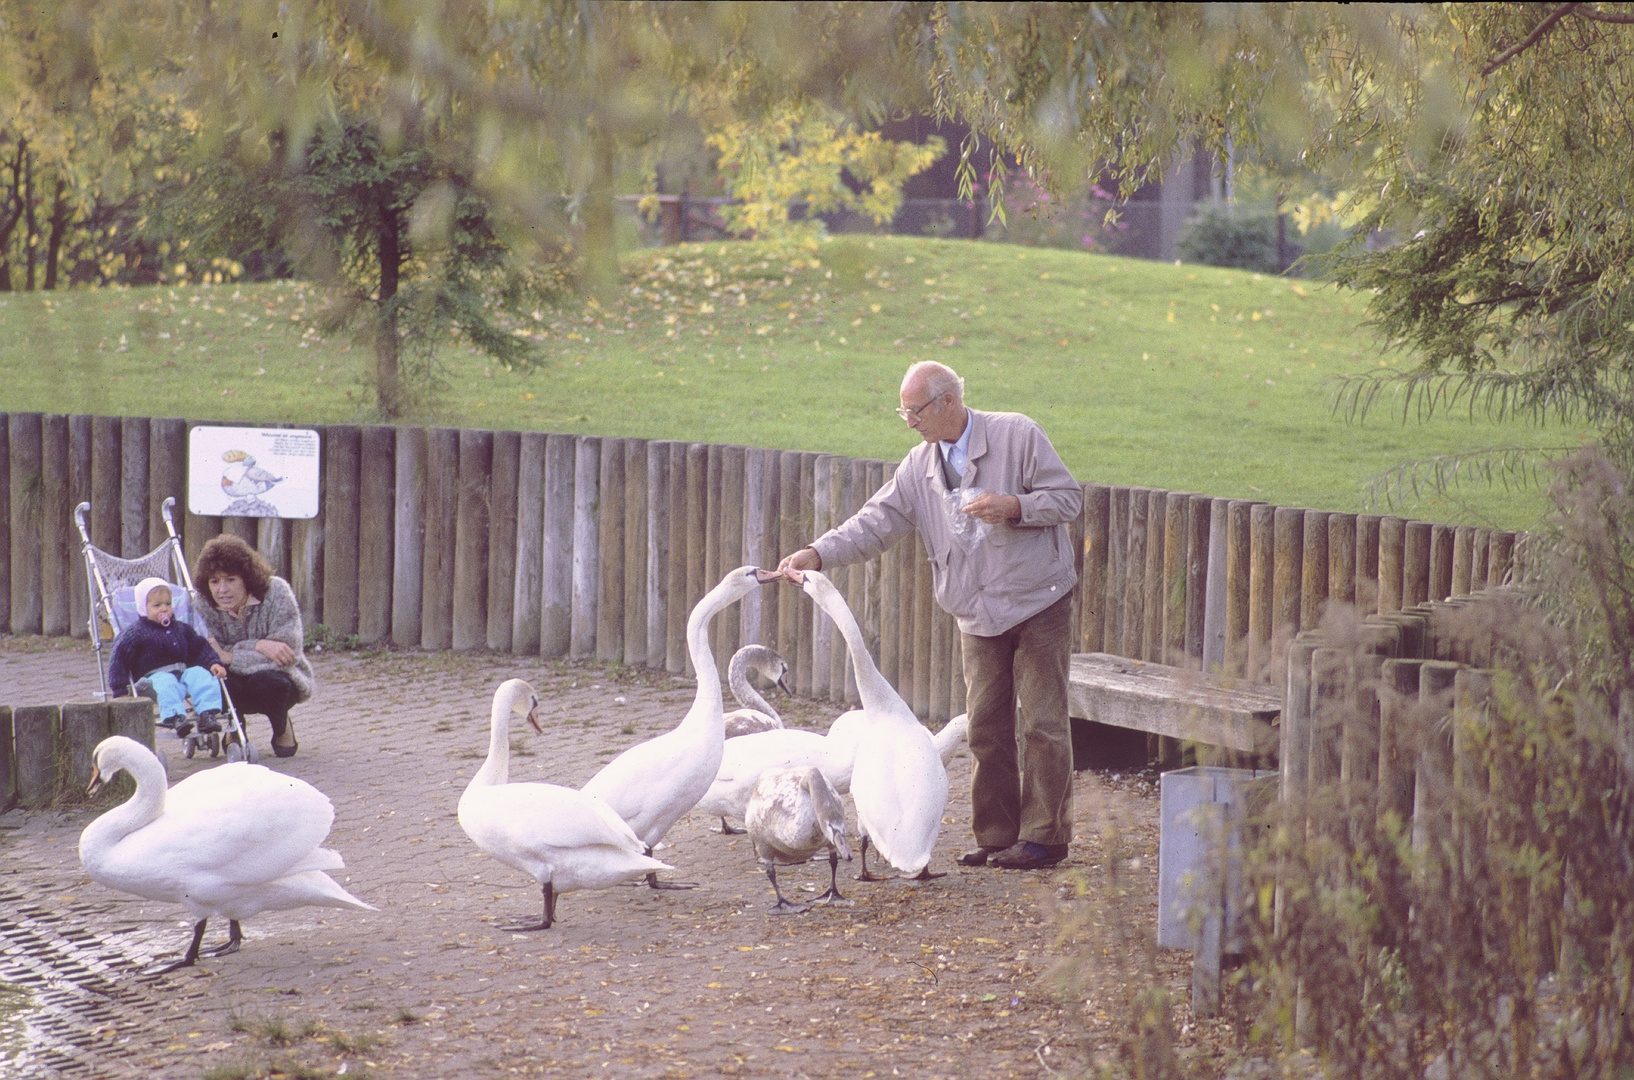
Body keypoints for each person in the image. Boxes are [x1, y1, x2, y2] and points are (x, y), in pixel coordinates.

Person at [778, 360, 1083, 871]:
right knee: (984, 726)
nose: (909, 421)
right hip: (977, 612)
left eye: (913, 410)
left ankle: (1045, 838)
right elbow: (875, 522)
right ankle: (997, 835)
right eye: (904, 412)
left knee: (1044, 723)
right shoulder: (918, 466)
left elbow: (1068, 499)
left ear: (948, 402)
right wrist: (818, 553)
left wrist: (1013, 506)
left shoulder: (1018, 434)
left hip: (1038, 601)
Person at [192, 534, 315, 758]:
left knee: (268, 682)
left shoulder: (277, 592)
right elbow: (207, 653)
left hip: (277, 677)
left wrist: (230, 655)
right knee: (221, 681)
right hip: (232, 680)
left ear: (246, 578)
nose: (222, 590)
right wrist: (261, 645)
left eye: (230, 579)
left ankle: (281, 726)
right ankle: (234, 727)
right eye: (214, 581)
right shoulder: (202, 603)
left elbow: (287, 652)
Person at [109, 577, 228, 739]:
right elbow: (119, 659)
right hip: (151, 680)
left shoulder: (181, 628)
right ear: (143, 608)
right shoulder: (135, 633)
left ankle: (207, 714)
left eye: (168, 604)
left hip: (182, 674)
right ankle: (176, 717)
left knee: (201, 675)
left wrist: (213, 663)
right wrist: (120, 689)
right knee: (166, 682)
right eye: (157, 605)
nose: (164, 609)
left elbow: (199, 647)